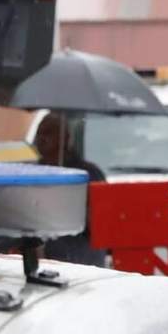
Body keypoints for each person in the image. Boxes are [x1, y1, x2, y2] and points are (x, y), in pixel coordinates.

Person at [33, 111, 110, 267]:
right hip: (46, 261)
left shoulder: (88, 173)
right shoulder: (34, 173)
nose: (41, 138)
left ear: (65, 138)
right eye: (39, 133)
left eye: (48, 133)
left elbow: (100, 219)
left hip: (82, 259)